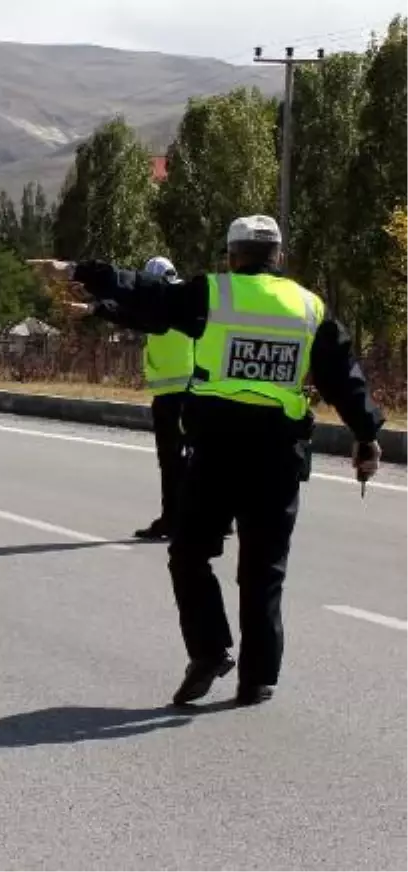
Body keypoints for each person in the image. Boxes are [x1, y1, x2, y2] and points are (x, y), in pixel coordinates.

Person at [30, 215, 385, 707]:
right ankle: (257, 680)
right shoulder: (309, 307)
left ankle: (209, 650)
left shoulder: (213, 295)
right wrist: (366, 437)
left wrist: (75, 269)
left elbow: (146, 291)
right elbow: (345, 379)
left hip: (217, 447)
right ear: (278, 256)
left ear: (232, 255)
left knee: (190, 553)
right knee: (264, 570)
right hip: (278, 454)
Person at [136, 255, 193, 540]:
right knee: (201, 458)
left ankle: (172, 520)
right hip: (197, 392)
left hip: (171, 397)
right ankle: (219, 519)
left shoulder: (157, 306)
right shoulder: (191, 300)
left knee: (171, 462)